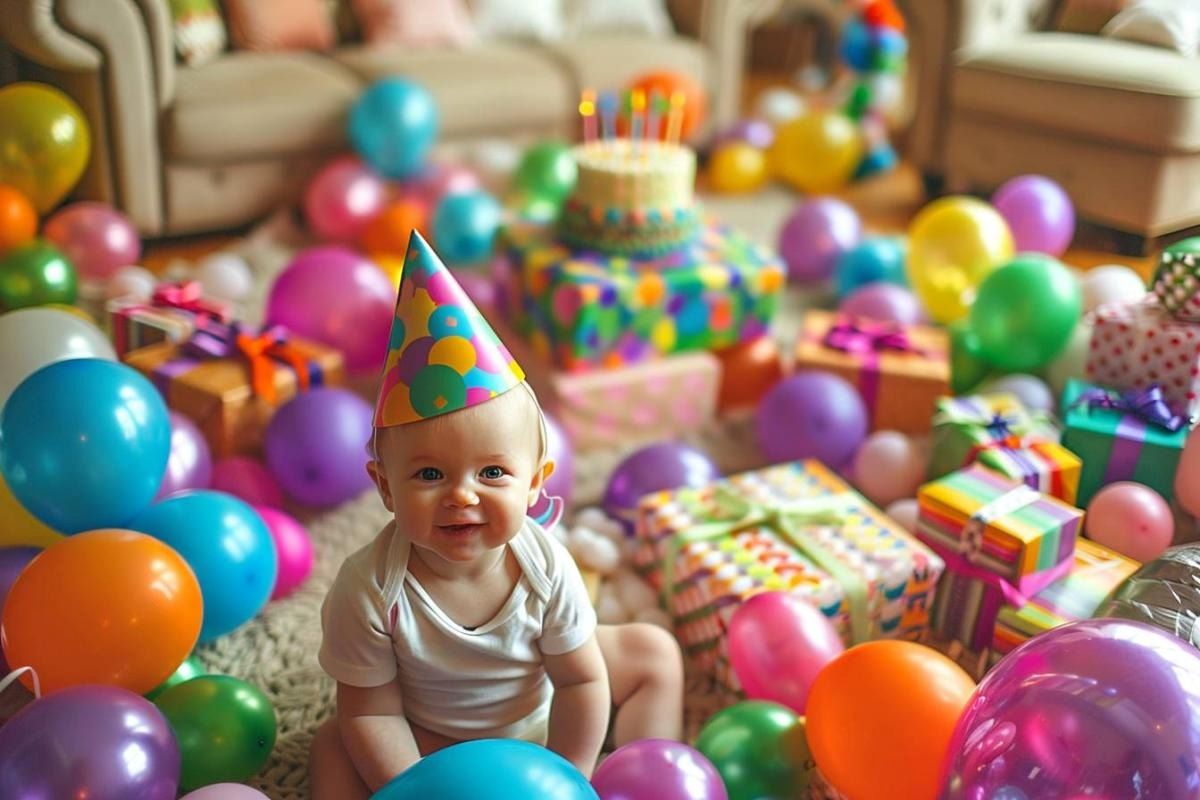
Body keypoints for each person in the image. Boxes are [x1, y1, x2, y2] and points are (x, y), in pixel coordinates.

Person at [308, 232, 684, 798]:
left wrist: (565, 777)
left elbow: (581, 680)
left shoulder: (547, 568)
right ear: (385, 488)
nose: (463, 496)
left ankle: (636, 779)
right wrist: (420, 788)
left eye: (492, 474)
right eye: (430, 475)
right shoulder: (367, 589)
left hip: (542, 723)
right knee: (335, 744)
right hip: (429, 742)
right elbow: (373, 715)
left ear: (535, 484)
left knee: (653, 652)